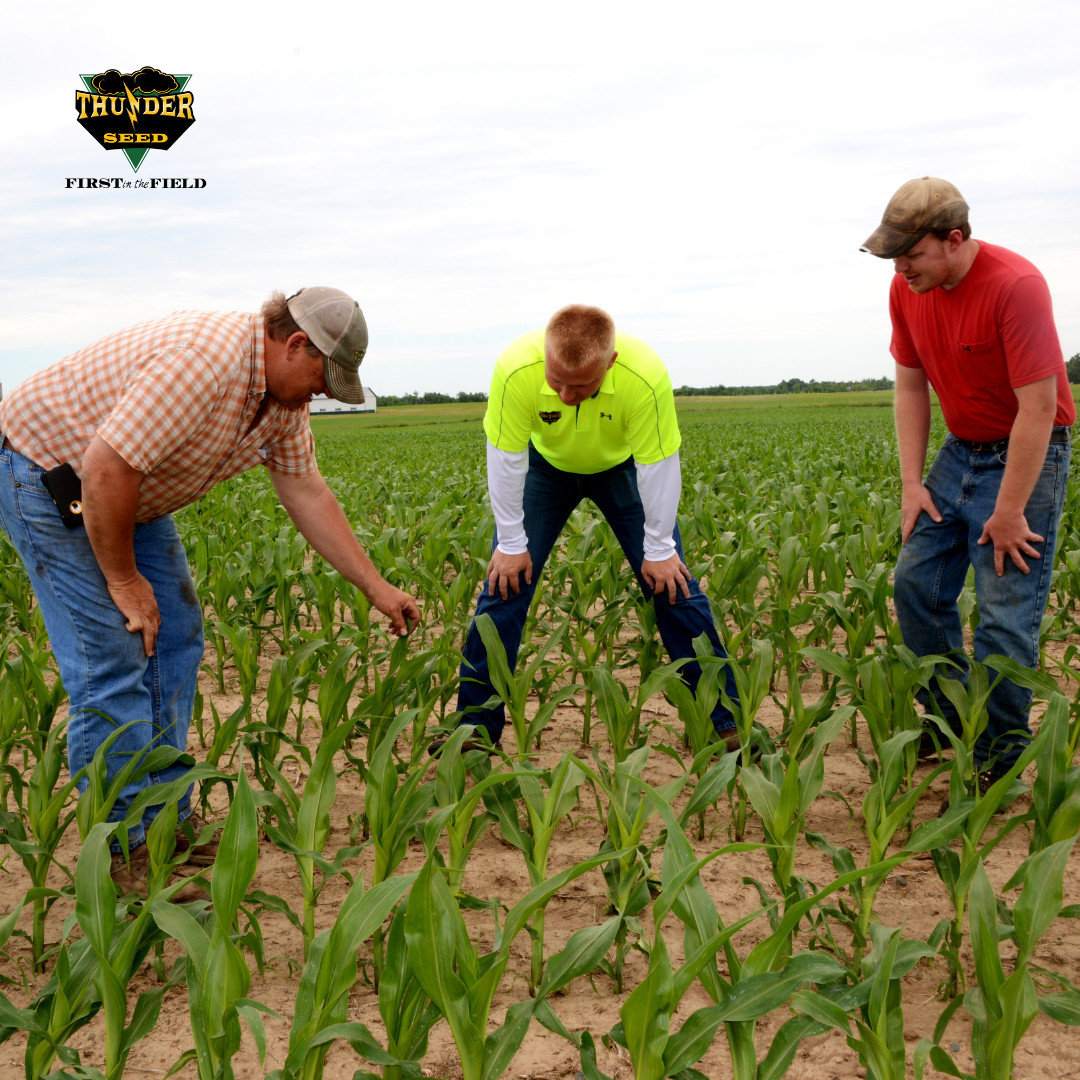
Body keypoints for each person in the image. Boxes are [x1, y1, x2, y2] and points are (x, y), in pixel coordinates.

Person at [0, 288, 420, 898]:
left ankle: (165, 814)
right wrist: (122, 580)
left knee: (176, 635)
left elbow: (306, 491)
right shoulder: (205, 362)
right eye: (323, 376)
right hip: (49, 479)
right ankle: (121, 848)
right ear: (295, 343)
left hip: (123, 490)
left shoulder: (280, 401)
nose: (324, 391)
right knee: (111, 660)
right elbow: (105, 469)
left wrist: (376, 587)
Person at [441, 303, 740, 753]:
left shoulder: (643, 375)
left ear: (611, 363)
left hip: (620, 468)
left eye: (580, 386)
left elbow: (658, 466)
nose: (564, 395)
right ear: (544, 353)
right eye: (555, 380)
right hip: (546, 471)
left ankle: (725, 722)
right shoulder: (515, 368)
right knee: (504, 583)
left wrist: (658, 549)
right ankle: (474, 729)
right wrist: (509, 542)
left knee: (673, 583)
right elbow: (505, 458)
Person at [861, 177, 1074, 786]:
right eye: (893, 257)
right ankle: (952, 717)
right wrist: (911, 481)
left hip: (1027, 454)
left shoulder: (1016, 286)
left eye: (911, 254)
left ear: (954, 240)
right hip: (960, 452)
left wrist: (1008, 512)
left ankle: (999, 758)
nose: (901, 269)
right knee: (916, 585)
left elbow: (1037, 409)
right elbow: (909, 384)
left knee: (1004, 617)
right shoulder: (908, 290)